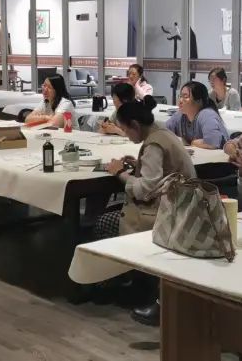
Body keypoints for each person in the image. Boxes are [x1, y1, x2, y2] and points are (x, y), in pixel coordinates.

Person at [96, 95, 196, 327]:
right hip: (182, 204)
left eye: (125, 130)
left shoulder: (153, 145)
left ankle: (127, 282)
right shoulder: (162, 133)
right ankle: (135, 281)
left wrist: (120, 172)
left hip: (168, 212)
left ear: (135, 125)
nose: (126, 135)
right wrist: (138, 165)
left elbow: (144, 190)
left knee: (105, 222)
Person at [165, 81, 229, 149]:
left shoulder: (207, 115)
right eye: (180, 96)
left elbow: (212, 143)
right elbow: (162, 133)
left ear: (199, 101)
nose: (180, 100)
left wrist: (192, 143)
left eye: (185, 97)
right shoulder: (179, 115)